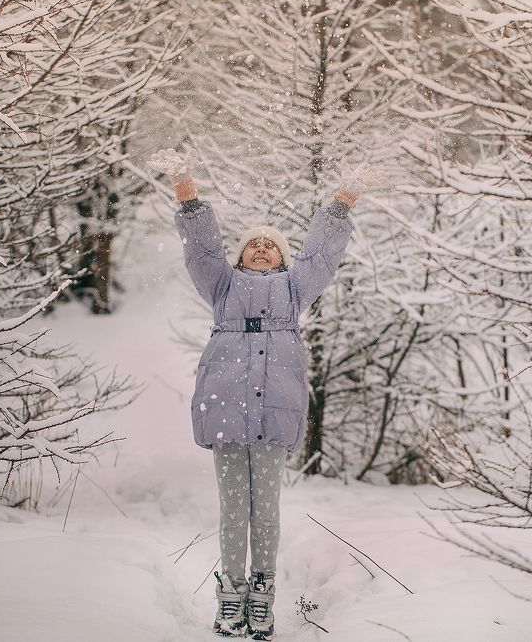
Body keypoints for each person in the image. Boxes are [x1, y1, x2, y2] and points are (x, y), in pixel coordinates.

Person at [149, 149, 383, 640]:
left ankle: (262, 596)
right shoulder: (222, 286)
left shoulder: (296, 289)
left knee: (267, 510)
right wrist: (186, 189)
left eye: (269, 246)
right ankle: (230, 595)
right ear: (240, 256)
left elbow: (322, 253)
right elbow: (202, 251)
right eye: (252, 244)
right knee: (233, 509)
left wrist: (344, 199)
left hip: (274, 412)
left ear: (281, 257)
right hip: (227, 412)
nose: (260, 249)